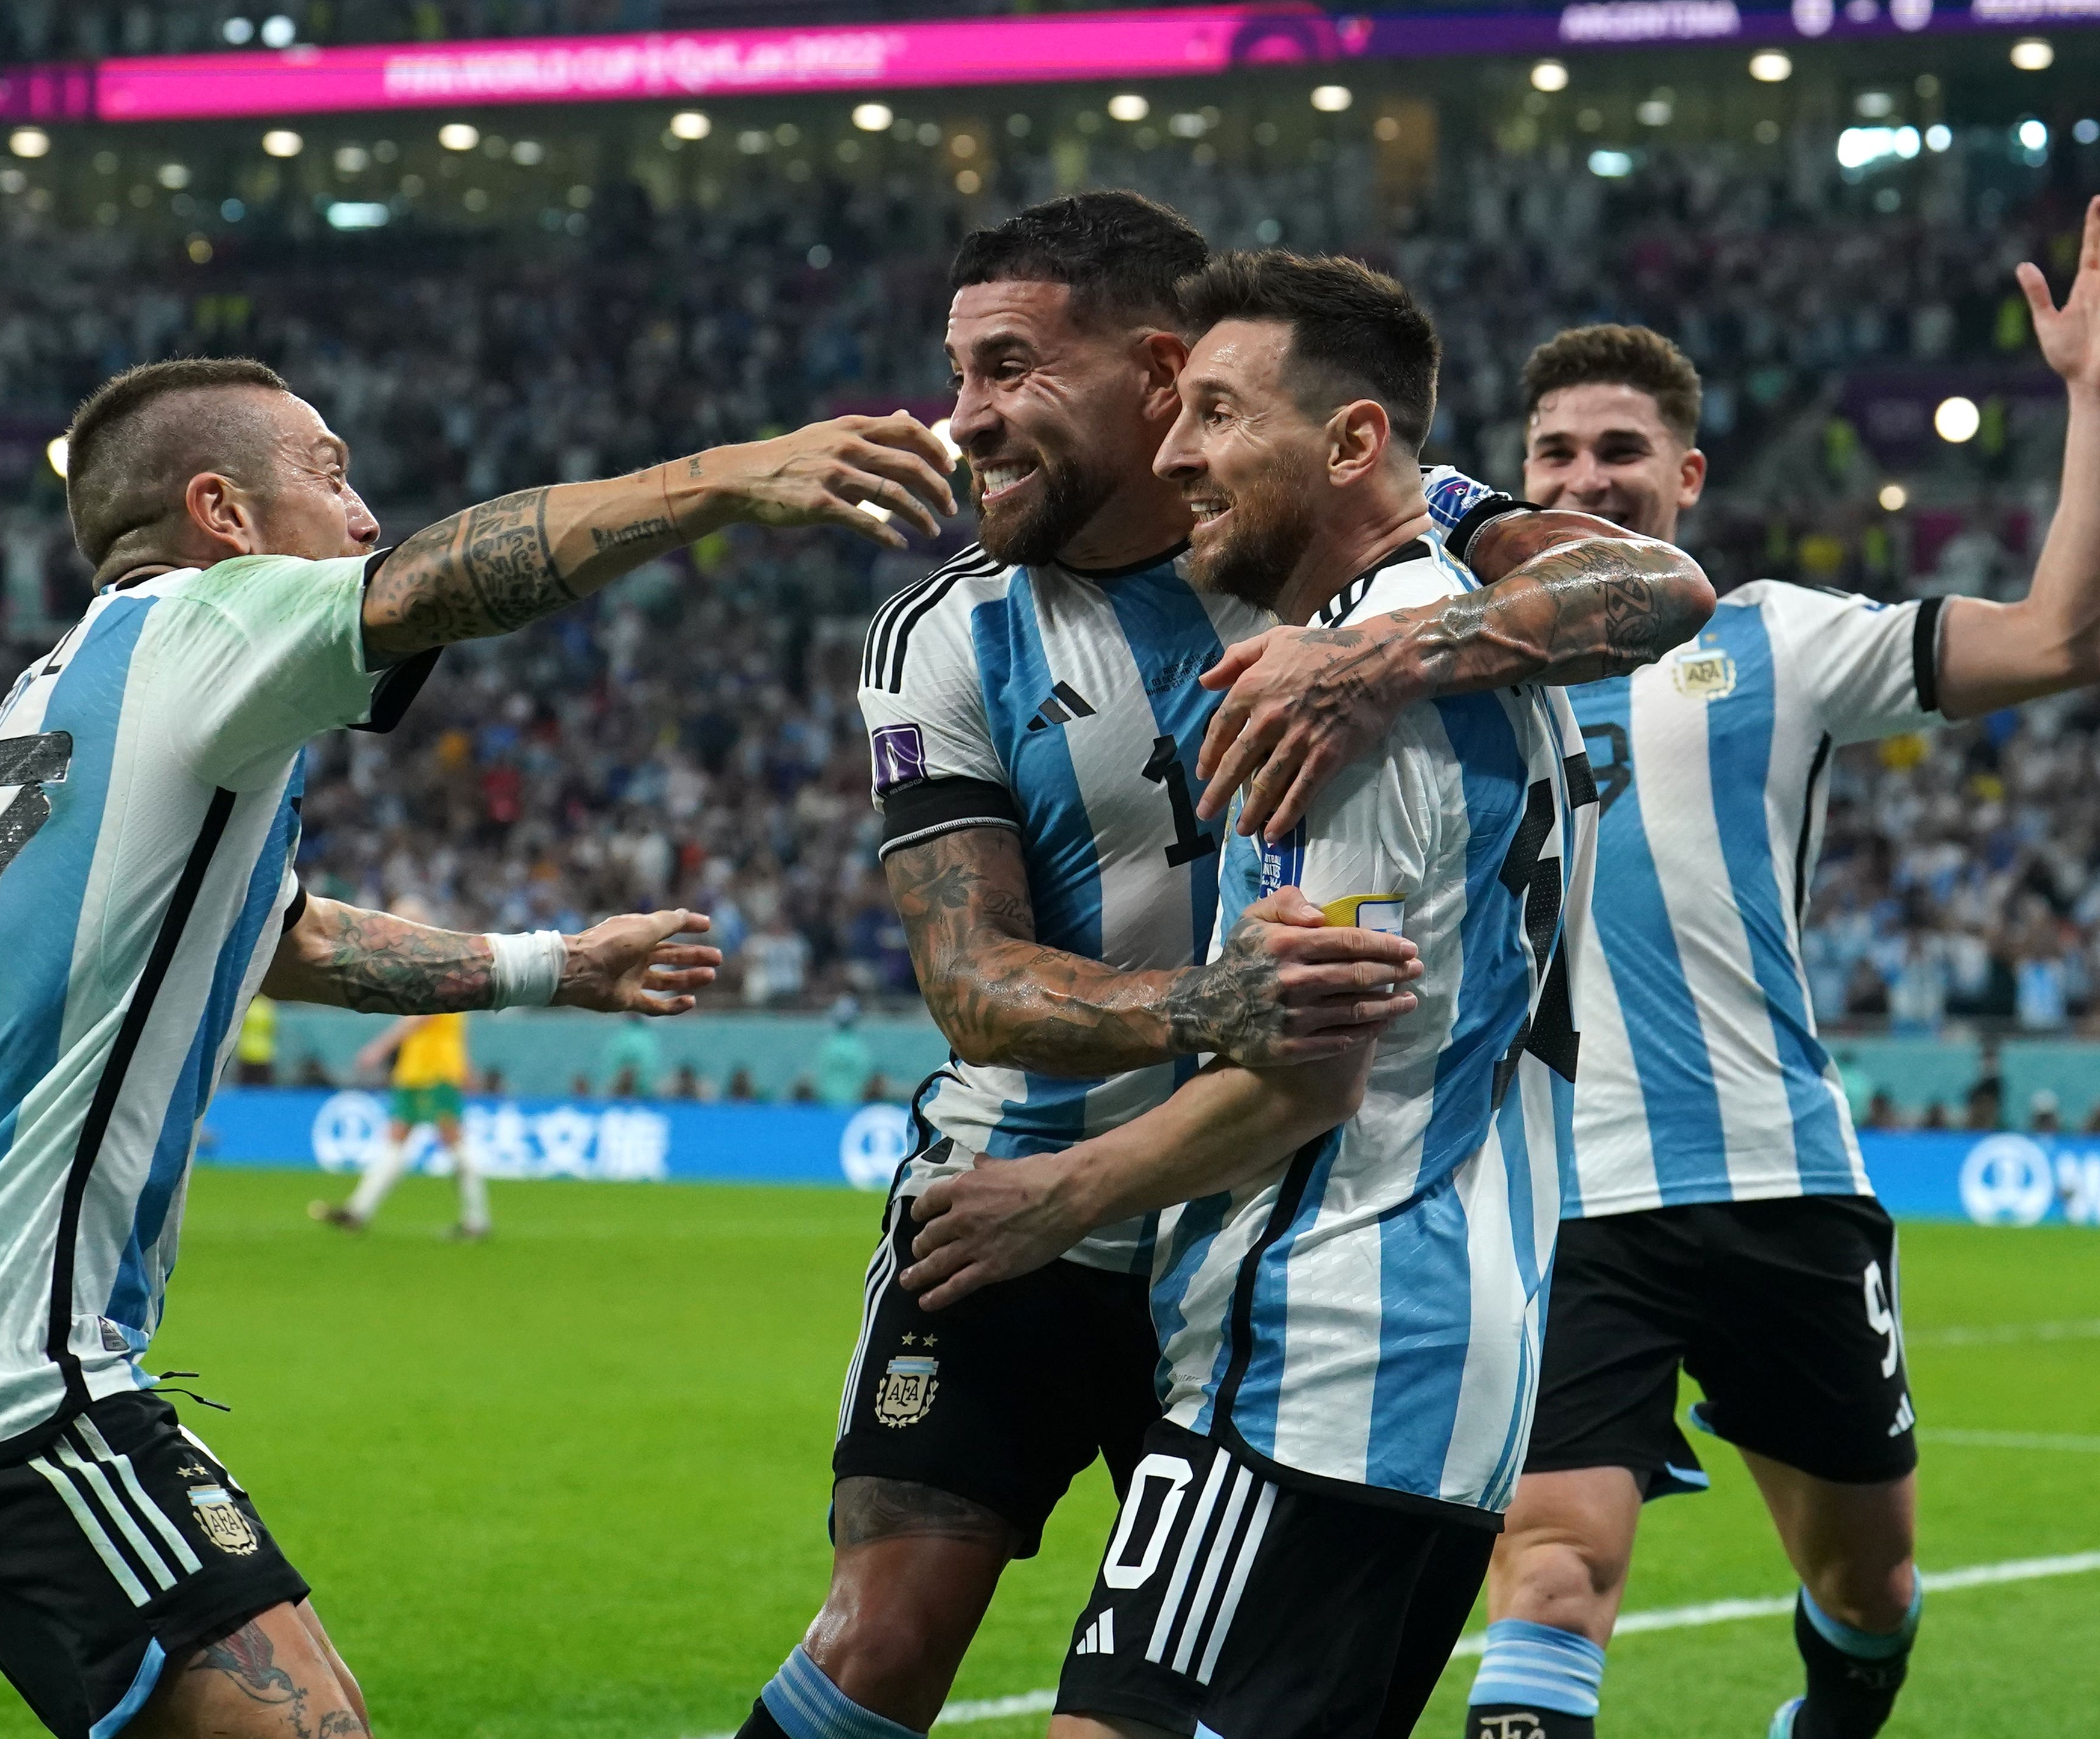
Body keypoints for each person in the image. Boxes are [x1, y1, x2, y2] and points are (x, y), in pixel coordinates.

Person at [0, 355, 971, 1739]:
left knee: (320, 1715)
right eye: (331, 473)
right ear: (220, 513)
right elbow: (441, 584)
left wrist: (551, 967)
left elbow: (287, 935)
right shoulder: (201, 626)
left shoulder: (79, 692)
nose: (364, 518)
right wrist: (730, 477)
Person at [730, 195, 1707, 1739]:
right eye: (958, 374)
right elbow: (971, 980)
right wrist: (1205, 1010)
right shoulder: (943, 636)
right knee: (886, 1638)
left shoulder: (1345, 562)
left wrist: (1380, 658)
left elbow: (1656, 591)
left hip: (1269, 1237)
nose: (962, 420)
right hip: (1034, 1201)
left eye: (1006, 371)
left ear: (1159, 377)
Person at [1436, 197, 2100, 1739]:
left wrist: (2092, 399)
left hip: (1777, 1179)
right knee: (1549, 1569)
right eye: (1552, 454)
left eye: (1617, 452)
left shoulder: (1776, 640)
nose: (1580, 480)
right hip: (1564, 1199)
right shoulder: (1445, 667)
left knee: (1870, 1589)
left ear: (1684, 479)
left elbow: (2062, 644)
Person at [897, 248, 1600, 1739]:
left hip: (1322, 1346)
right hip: (1438, 1355)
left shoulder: (1342, 687)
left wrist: (1060, 1192)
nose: (1173, 455)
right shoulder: (1458, 641)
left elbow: (1307, 1063)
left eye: (1215, 414)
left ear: (1350, 441)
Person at [315, 1004, 482, 1237]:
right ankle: (357, 1211)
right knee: (396, 1141)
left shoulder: (439, 975)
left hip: (436, 1071)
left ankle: (477, 1220)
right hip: (414, 1070)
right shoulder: (448, 975)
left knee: (452, 1142)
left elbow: (422, 1017)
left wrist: (379, 1048)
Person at [808, 996, 875, 1106]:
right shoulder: (858, 1048)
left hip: (828, 1106)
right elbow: (865, 1078)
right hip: (851, 1107)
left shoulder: (828, 1046)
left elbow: (819, 1076)